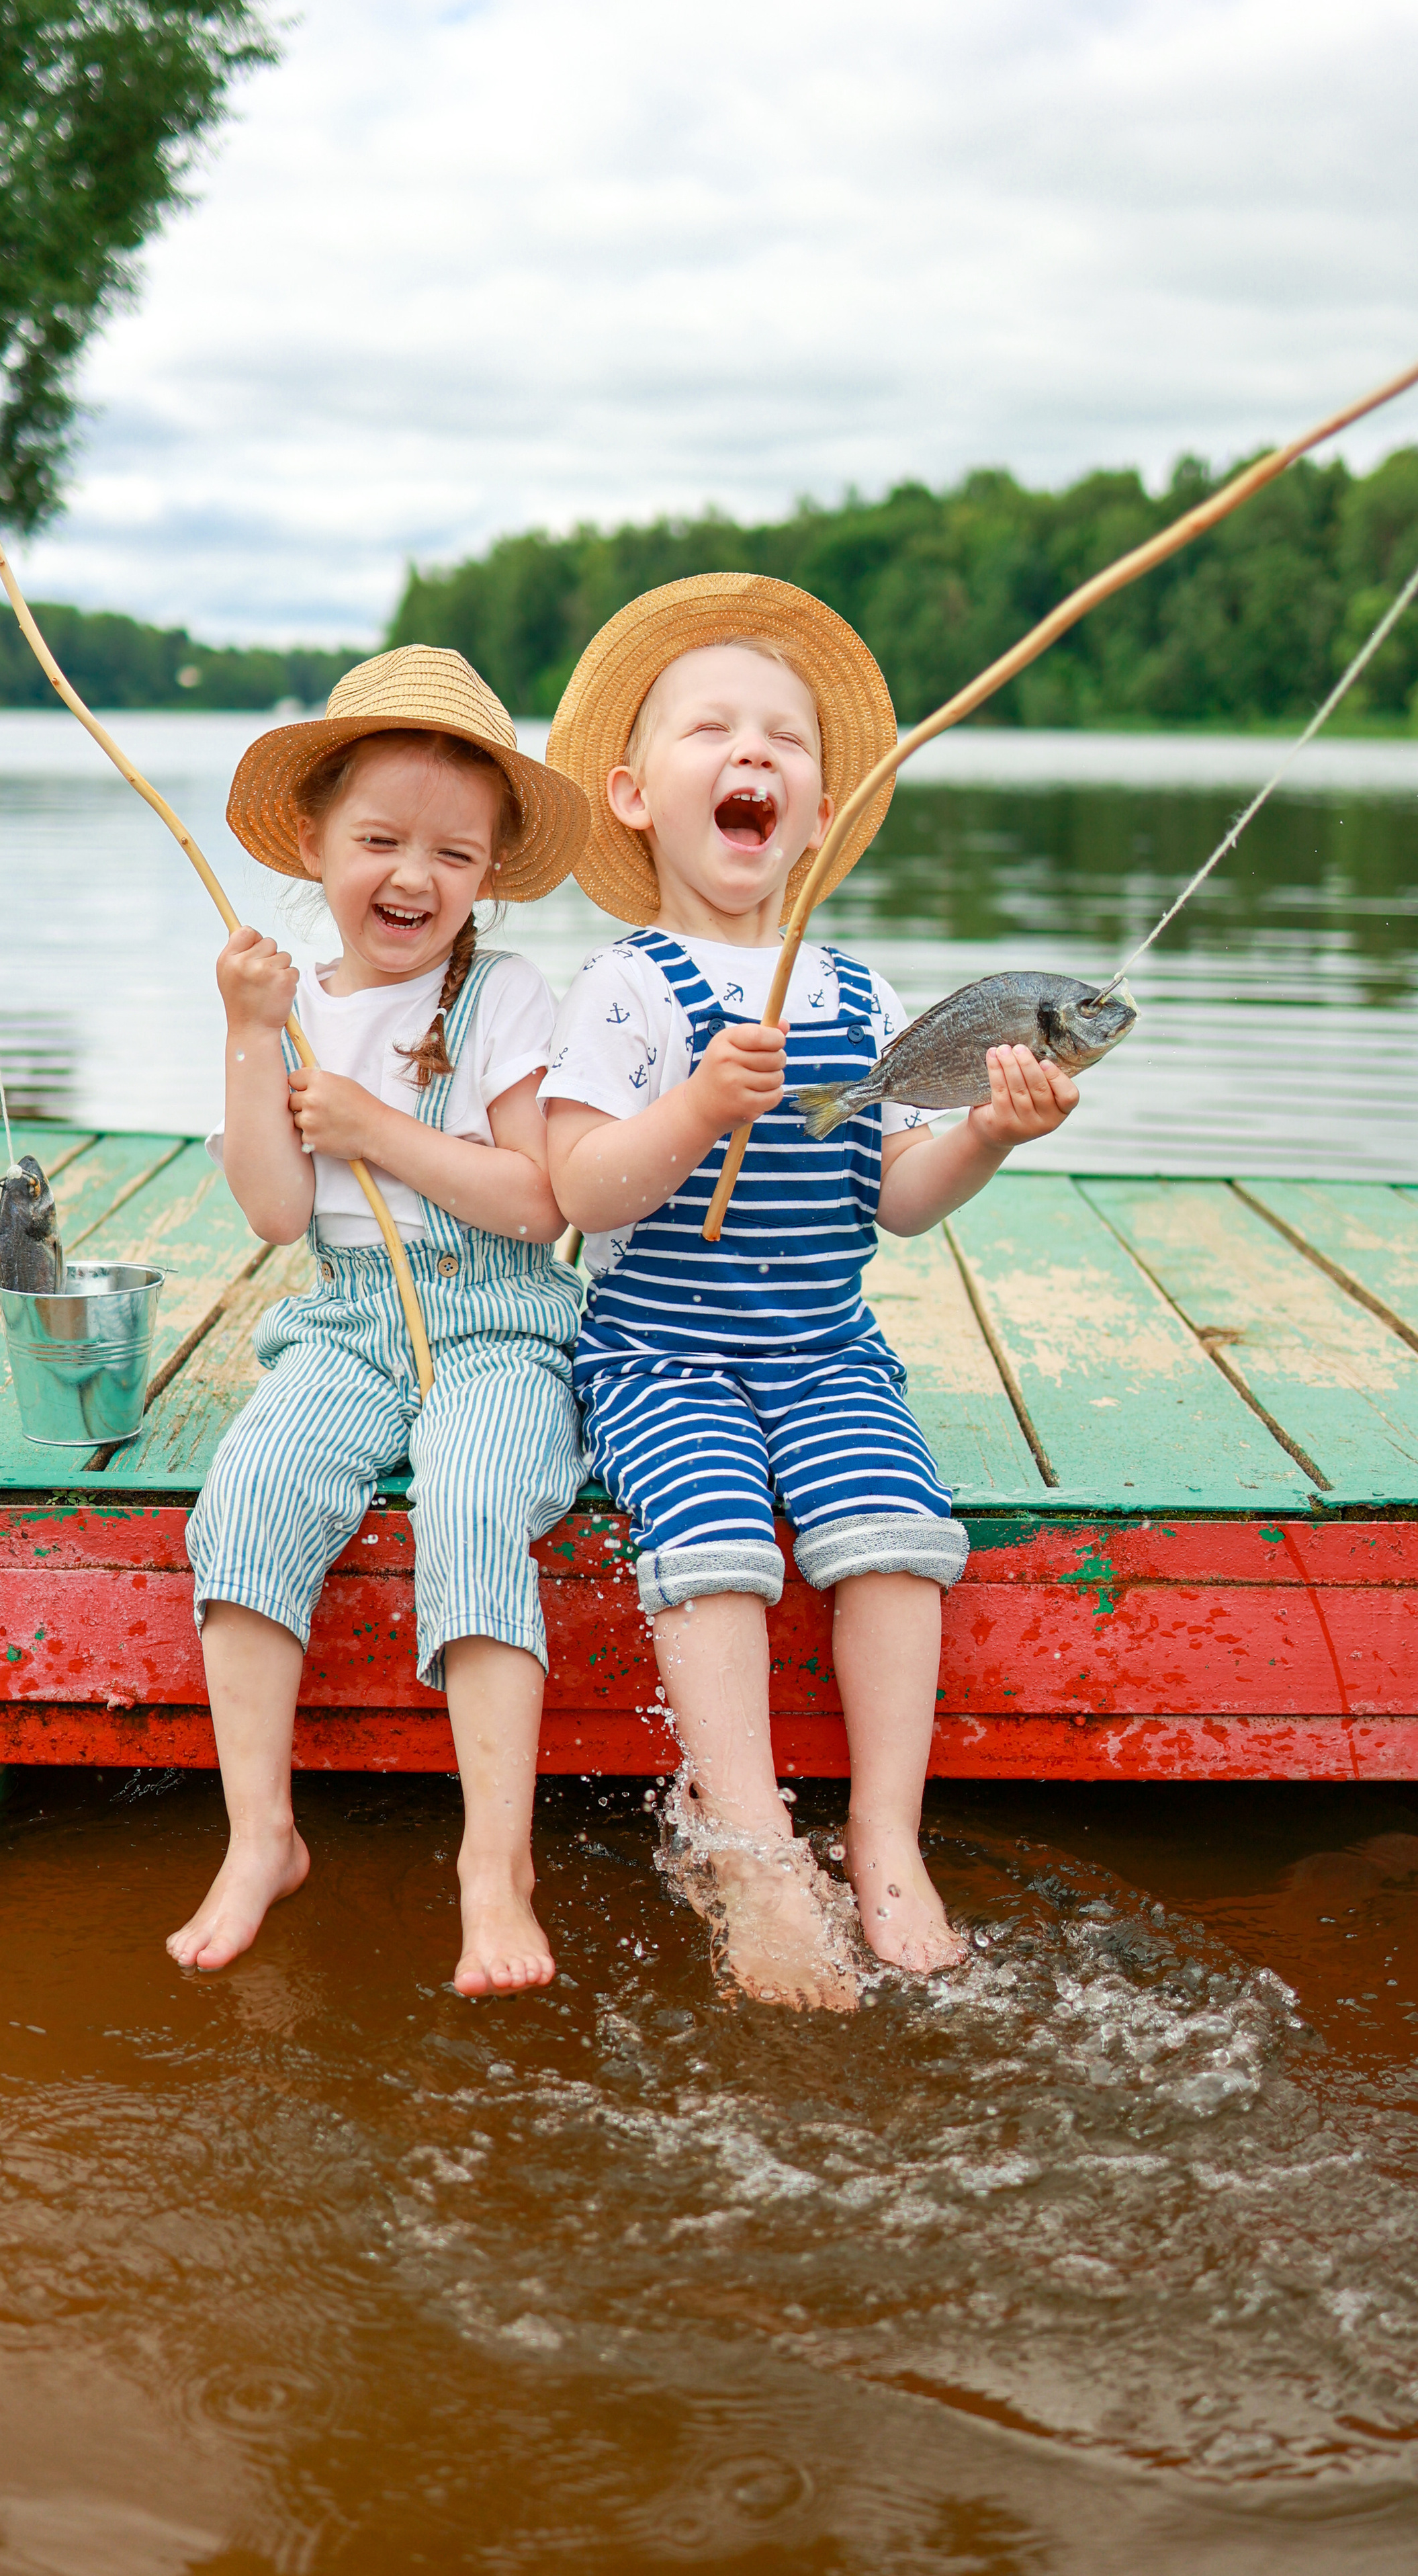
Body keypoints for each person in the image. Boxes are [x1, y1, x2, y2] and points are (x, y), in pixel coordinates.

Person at [540, 574, 1079, 2010]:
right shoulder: (625, 987)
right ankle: (753, 1846)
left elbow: (896, 1199)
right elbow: (580, 1190)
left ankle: (885, 1835)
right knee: (713, 1542)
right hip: (664, 1355)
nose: (751, 753)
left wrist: (983, 1130)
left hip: (827, 1351)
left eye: (781, 738)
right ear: (634, 792)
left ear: (817, 811)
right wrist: (698, 1106)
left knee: (894, 1538)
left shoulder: (856, 987)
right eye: (709, 729)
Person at [169, 646, 590, 1995]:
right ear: (313, 841)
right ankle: (260, 1834)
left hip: (495, 1321)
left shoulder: (503, 994)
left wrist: (379, 1129)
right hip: (347, 1321)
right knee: (251, 1488)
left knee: (469, 1502)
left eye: (452, 854)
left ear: (489, 872)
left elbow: (536, 1203)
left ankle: (492, 1860)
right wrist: (251, 1034)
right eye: (379, 840)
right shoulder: (296, 1005)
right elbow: (276, 1214)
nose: (413, 876)